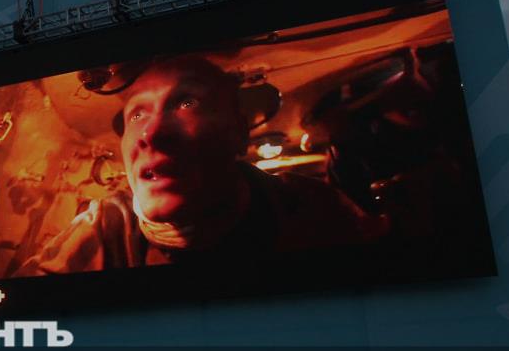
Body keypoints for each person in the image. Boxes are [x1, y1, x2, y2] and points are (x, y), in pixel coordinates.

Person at [19, 55, 386, 275]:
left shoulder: (314, 209)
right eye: (136, 114)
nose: (151, 133)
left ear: (238, 133)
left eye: (186, 103)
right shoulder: (104, 229)